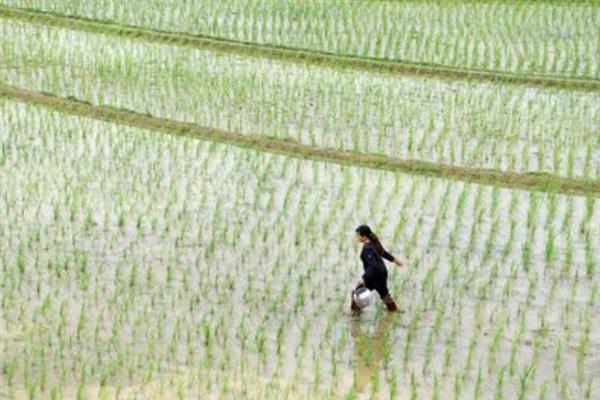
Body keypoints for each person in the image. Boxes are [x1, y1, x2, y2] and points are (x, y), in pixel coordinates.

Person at [352, 225, 404, 312]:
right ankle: (393, 311)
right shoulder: (372, 242)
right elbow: (383, 253)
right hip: (381, 272)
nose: (357, 237)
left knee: (358, 292)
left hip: (376, 275)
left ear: (364, 236)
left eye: (358, 235)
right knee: (384, 294)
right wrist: (395, 261)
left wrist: (363, 278)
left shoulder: (367, 249)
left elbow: (373, 266)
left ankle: (355, 313)